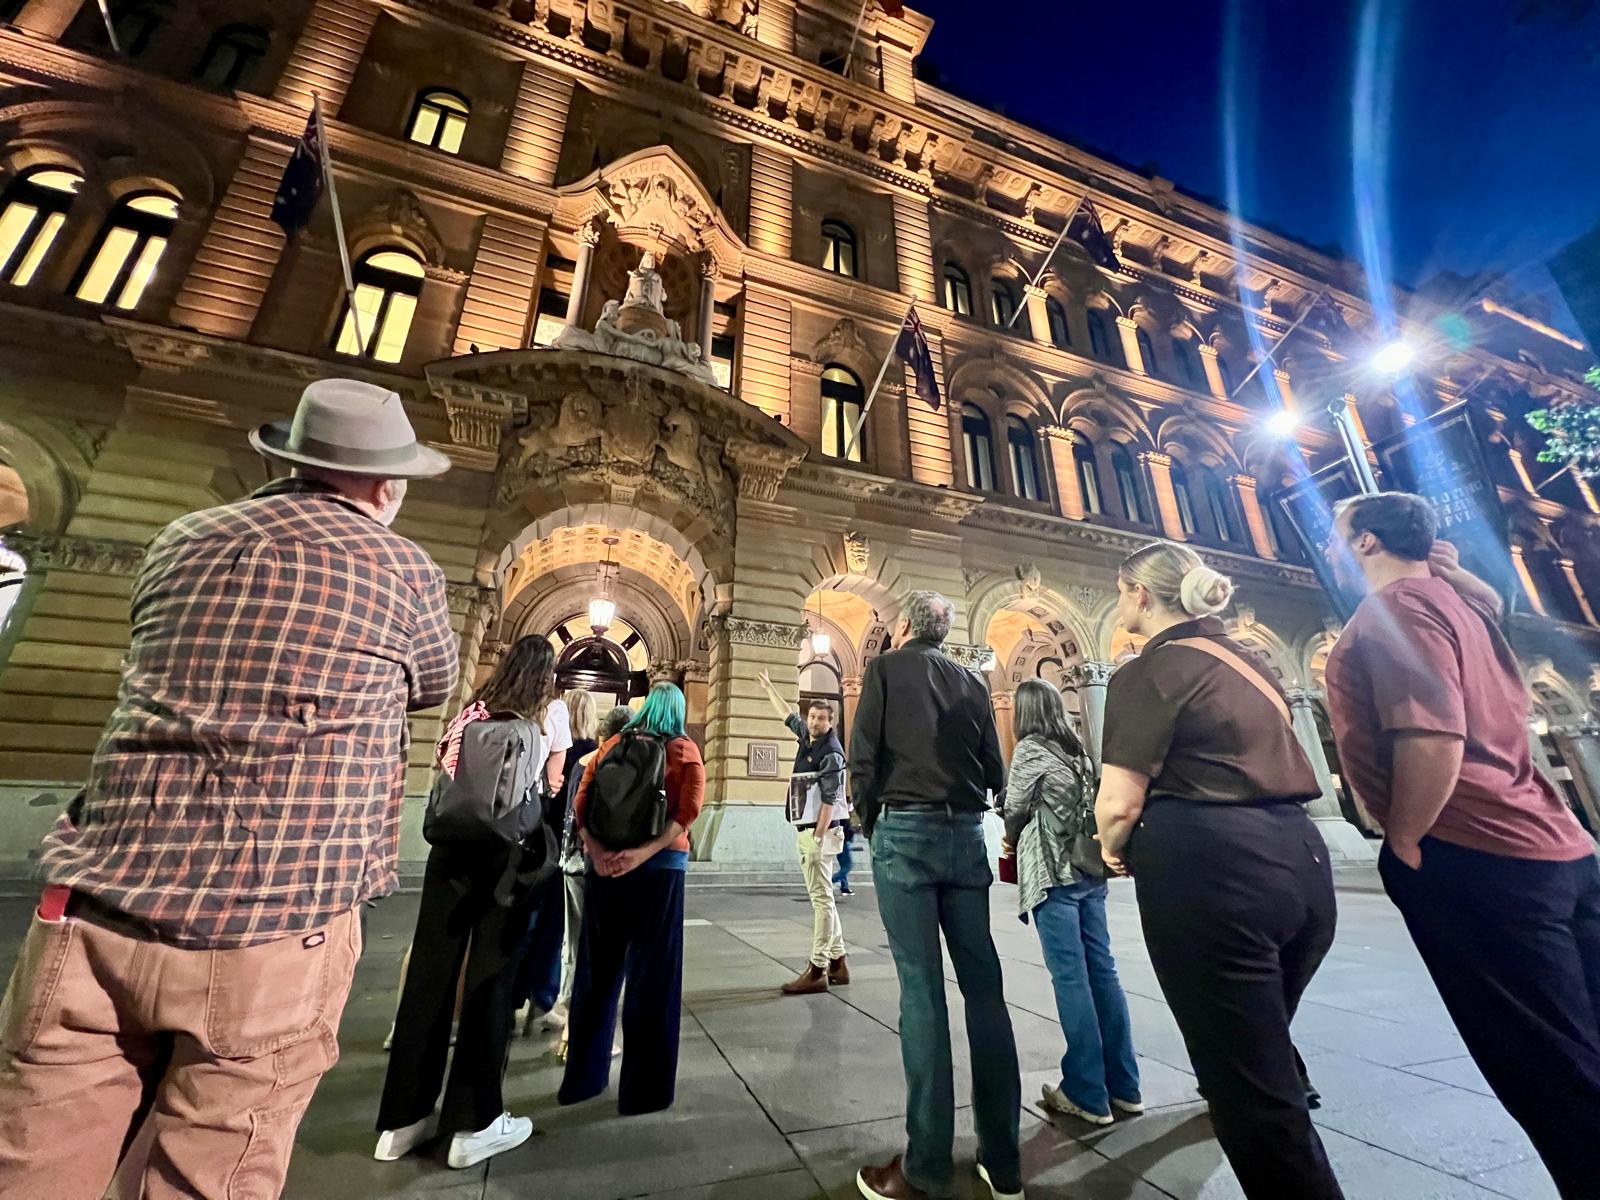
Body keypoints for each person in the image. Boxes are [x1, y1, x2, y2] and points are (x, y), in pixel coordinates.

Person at [0, 380, 456, 1200]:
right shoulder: (401, 565)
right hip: (272, 924)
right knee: (208, 1175)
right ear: (389, 484)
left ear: (289, 458)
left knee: (31, 1168)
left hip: (96, 910)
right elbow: (432, 683)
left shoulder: (180, 538)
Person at [1323, 492, 1600, 1199]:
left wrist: (1407, 837)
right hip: (1555, 845)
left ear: (1367, 543)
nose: (1327, 549)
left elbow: (1432, 735)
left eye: (1335, 535)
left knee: (1550, 1071)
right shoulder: (1458, 607)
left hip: (1480, 855)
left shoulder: (1395, 611)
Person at [1093, 541, 1343, 1200]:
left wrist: (1109, 847)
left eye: (1122, 593)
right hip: (1303, 863)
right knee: (1259, 1052)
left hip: (1215, 877)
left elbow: (1118, 801)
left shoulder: (1149, 670)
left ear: (1139, 593)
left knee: (1252, 1098)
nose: (1121, 605)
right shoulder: (1249, 661)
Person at [848, 591, 1023, 1200]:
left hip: (906, 830)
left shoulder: (887, 667)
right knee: (985, 991)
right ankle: (1003, 1162)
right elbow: (996, 772)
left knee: (921, 992)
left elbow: (862, 753)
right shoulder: (973, 683)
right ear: (945, 633)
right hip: (965, 834)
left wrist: (873, 822)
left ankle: (924, 1167)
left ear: (903, 629)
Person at [374, 634, 570, 1169]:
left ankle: (401, 1120)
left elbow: (444, 770)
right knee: (490, 980)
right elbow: (549, 787)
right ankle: (473, 1123)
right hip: (505, 858)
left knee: (430, 977)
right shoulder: (541, 721)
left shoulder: (470, 714)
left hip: (449, 853)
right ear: (545, 679)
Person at [559, 682, 704, 1115]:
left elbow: (581, 804)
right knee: (653, 981)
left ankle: (581, 1081)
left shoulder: (612, 746)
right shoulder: (682, 749)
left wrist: (601, 853)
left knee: (596, 976)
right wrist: (643, 853)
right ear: (676, 710)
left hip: (605, 874)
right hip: (660, 874)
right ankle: (644, 1092)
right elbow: (688, 812)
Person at [1001, 678, 1141, 1127]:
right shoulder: (1077, 750)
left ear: (1024, 713)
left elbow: (1016, 807)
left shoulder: (1030, 750)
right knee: (1103, 971)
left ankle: (1085, 1091)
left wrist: (1007, 841)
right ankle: (1124, 1087)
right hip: (1087, 871)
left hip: (1052, 873)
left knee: (1071, 978)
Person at [758, 672, 850, 994]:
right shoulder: (809, 739)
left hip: (818, 833)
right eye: (811, 716)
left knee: (821, 900)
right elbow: (786, 714)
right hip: (811, 829)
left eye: (821, 718)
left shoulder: (831, 752)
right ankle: (838, 962)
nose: (814, 722)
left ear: (831, 721)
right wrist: (770, 687)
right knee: (822, 897)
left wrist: (818, 836)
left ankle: (818, 967)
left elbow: (830, 798)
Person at [513, 687, 598, 1036]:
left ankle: (513, 998)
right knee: (556, 929)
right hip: (567, 853)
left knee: (525, 922)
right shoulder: (591, 754)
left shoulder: (546, 745)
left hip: (534, 843)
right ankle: (545, 1001)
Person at [553, 704, 633, 1062]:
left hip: (569, 863)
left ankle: (569, 1031)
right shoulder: (614, 764)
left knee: (573, 945)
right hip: (598, 866)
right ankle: (586, 1035)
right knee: (602, 951)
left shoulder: (582, 762)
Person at [834, 816, 858, 896]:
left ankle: (844, 887)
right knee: (848, 866)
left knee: (843, 866)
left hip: (840, 841)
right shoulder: (843, 814)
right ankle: (832, 880)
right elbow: (846, 828)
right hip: (844, 841)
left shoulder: (840, 813)